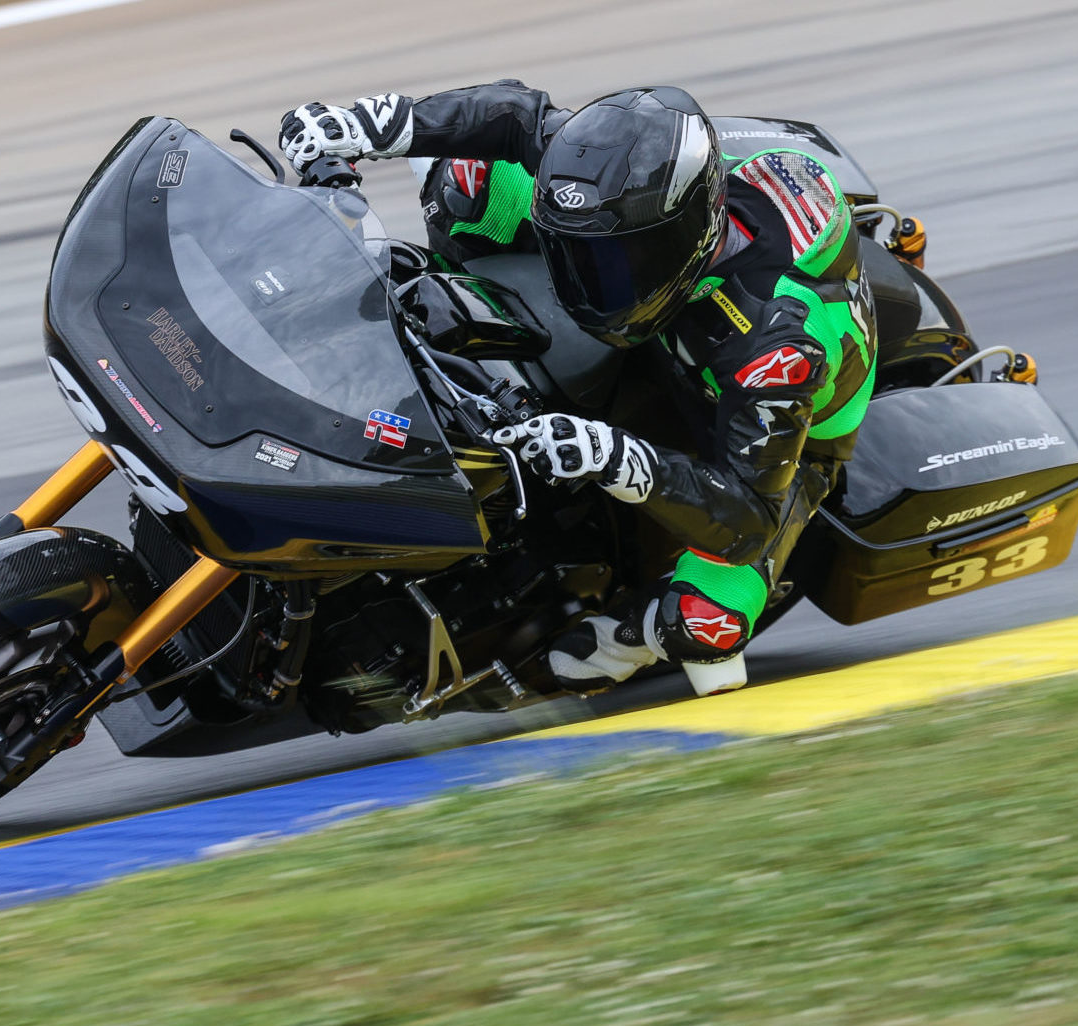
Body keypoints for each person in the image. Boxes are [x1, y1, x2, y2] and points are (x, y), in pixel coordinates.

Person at [280, 82, 882, 696]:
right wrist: (365, 125)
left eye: (610, 265)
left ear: (682, 242)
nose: (578, 283)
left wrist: (619, 458)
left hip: (776, 435)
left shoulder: (774, 351)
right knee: (469, 184)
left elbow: (748, 516)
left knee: (705, 621)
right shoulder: (631, 191)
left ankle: (632, 636)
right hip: (688, 284)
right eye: (576, 257)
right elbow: (518, 115)